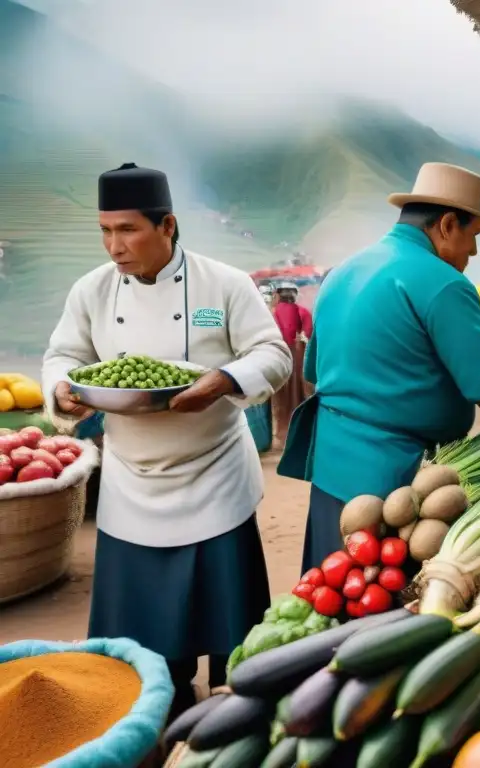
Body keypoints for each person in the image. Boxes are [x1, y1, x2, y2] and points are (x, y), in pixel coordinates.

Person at [41, 163, 292, 717]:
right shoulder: (92, 291)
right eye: (105, 231)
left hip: (215, 476)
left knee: (232, 632)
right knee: (143, 635)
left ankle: (232, 714)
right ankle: (160, 707)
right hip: (133, 483)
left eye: (127, 230)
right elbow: (63, 357)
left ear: (167, 225)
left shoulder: (223, 285)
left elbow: (273, 354)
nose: (114, 246)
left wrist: (224, 380)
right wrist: (63, 392)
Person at [279, 162, 480, 572]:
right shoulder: (444, 282)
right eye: (473, 236)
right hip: (390, 486)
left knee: (331, 590)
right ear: (447, 224)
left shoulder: (342, 272)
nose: (473, 252)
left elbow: (315, 373)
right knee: (382, 612)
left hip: (330, 467)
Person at [271, 281, 313, 443]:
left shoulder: (271, 313)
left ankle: (280, 432)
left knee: (279, 396)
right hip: (297, 357)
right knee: (299, 393)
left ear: (278, 295)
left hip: (276, 356)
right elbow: (309, 333)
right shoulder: (302, 312)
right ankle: (299, 430)